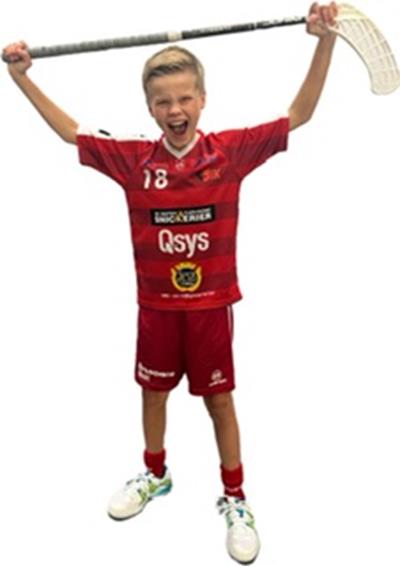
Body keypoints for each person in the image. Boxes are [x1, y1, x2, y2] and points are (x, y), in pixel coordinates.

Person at [3, 2, 337, 563]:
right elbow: (70, 133)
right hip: (155, 307)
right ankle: (155, 474)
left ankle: (235, 496)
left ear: (202, 99)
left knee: (219, 401)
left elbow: (299, 114)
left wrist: (323, 41)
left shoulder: (230, 152)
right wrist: (21, 78)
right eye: (163, 101)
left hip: (210, 307)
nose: (175, 109)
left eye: (184, 98)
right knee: (152, 393)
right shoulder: (134, 160)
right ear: (149, 107)